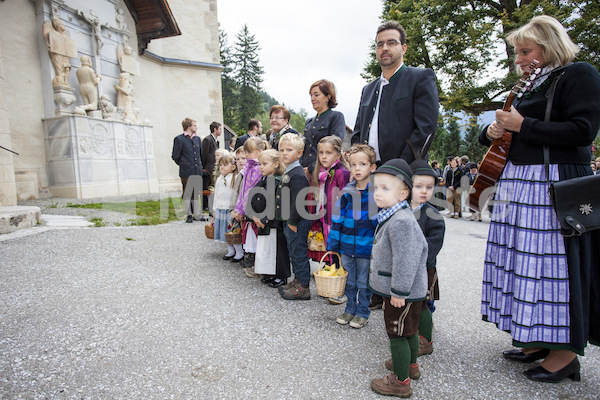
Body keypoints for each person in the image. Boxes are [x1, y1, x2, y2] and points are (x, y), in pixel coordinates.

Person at [480, 15, 600, 383]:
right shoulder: (532, 84)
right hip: (522, 182)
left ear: (548, 47)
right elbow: (504, 133)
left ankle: (565, 355)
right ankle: (536, 338)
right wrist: (492, 130)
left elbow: (584, 131)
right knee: (522, 260)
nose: (518, 58)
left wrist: (523, 126)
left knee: (552, 266)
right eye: (517, 52)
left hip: (552, 183)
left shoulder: (579, 74)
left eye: (525, 51)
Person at [368, 158, 428, 398]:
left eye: (385, 188)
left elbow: (406, 260)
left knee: (397, 333)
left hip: (401, 292)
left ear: (403, 194)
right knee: (410, 330)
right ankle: (411, 366)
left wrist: (399, 292)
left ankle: (400, 382)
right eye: (376, 188)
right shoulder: (396, 215)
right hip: (407, 290)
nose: (378, 193)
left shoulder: (401, 222)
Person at [351, 21, 438, 165]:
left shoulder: (420, 78)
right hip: (368, 174)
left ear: (403, 48)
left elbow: (425, 130)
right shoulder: (368, 89)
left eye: (391, 43)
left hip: (405, 173)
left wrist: (400, 167)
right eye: (380, 44)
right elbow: (357, 133)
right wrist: (357, 164)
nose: (385, 48)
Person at [327, 144, 378, 328]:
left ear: (372, 167)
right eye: (354, 164)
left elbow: (379, 222)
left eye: (362, 164)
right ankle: (350, 308)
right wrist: (333, 243)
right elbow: (337, 218)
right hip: (347, 245)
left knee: (364, 281)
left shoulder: (377, 193)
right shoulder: (347, 191)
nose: (357, 168)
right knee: (349, 280)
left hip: (366, 246)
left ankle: (363, 311)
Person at [409, 160, 445, 357]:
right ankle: (412, 328)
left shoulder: (433, 215)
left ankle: (425, 338)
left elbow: (434, 242)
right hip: (406, 267)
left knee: (425, 302)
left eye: (429, 187)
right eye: (418, 186)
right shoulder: (402, 209)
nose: (424, 191)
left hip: (424, 267)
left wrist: (419, 259)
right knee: (409, 300)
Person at [309, 136, 350, 303]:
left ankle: (341, 289)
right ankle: (332, 282)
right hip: (323, 218)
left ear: (338, 155)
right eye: (321, 153)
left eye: (328, 153)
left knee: (339, 251)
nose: (324, 156)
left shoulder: (341, 173)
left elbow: (346, 199)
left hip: (336, 221)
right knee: (330, 249)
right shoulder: (321, 174)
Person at [246, 150, 290, 288]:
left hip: (273, 222)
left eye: (265, 164)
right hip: (260, 221)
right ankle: (268, 273)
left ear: (276, 164)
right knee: (265, 249)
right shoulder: (262, 182)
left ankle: (281, 275)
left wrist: (264, 219)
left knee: (278, 250)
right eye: (260, 164)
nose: (261, 167)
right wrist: (254, 216)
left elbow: (277, 204)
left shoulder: (279, 183)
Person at [277, 133, 312, 300]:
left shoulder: (297, 174)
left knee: (299, 253)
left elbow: (300, 200)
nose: (284, 153)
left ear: (299, 153)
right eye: (281, 150)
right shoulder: (289, 171)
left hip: (297, 221)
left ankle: (304, 287)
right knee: (293, 252)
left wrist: (291, 221)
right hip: (290, 220)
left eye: (289, 150)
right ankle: (297, 280)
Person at [232, 137, 268, 276]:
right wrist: (238, 208)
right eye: (245, 152)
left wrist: (244, 209)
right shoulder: (249, 167)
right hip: (247, 209)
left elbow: (251, 192)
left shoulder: (258, 168)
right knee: (250, 238)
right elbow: (243, 191)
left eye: (249, 152)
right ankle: (253, 265)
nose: (246, 155)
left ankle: (259, 267)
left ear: (259, 151)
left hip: (255, 210)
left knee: (257, 238)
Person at [301, 80, 346, 171]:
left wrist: (311, 169)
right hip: (304, 170)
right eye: (311, 95)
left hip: (324, 171)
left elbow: (334, 146)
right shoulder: (309, 122)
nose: (312, 98)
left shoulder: (336, 116)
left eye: (316, 95)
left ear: (328, 97)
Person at [172, 118, 203, 223]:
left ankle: (197, 214)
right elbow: (175, 156)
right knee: (187, 193)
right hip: (186, 171)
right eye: (194, 125)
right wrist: (184, 164)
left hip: (197, 170)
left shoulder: (197, 139)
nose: (196, 127)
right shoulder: (179, 139)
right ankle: (189, 214)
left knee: (196, 193)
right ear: (189, 126)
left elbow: (200, 155)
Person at [212, 152, 239, 258]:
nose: (222, 167)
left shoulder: (235, 178)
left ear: (233, 167)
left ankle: (239, 252)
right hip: (220, 208)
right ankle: (230, 250)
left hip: (229, 209)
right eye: (221, 165)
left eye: (225, 164)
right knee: (225, 232)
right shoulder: (219, 179)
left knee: (232, 231)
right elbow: (216, 195)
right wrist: (214, 209)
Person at [201, 122, 222, 210]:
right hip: (209, 167)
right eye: (220, 129)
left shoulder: (216, 141)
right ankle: (206, 205)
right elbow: (204, 154)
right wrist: (204, 167)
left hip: (214, 167)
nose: (221, 131)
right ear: (215, 129)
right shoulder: (208, 140)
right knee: (208, 187)